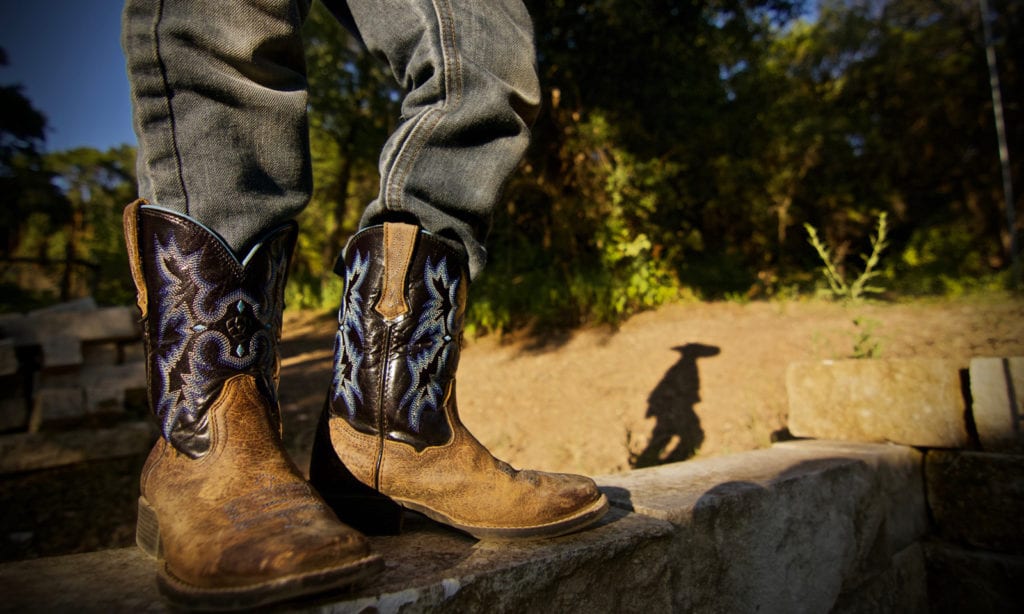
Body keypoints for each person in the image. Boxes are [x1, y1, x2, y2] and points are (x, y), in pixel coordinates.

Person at [121, 0, 608, 609]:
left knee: (484, 64)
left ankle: (390, 431)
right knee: (230, 28)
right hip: (209, 434)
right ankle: (210, 444)